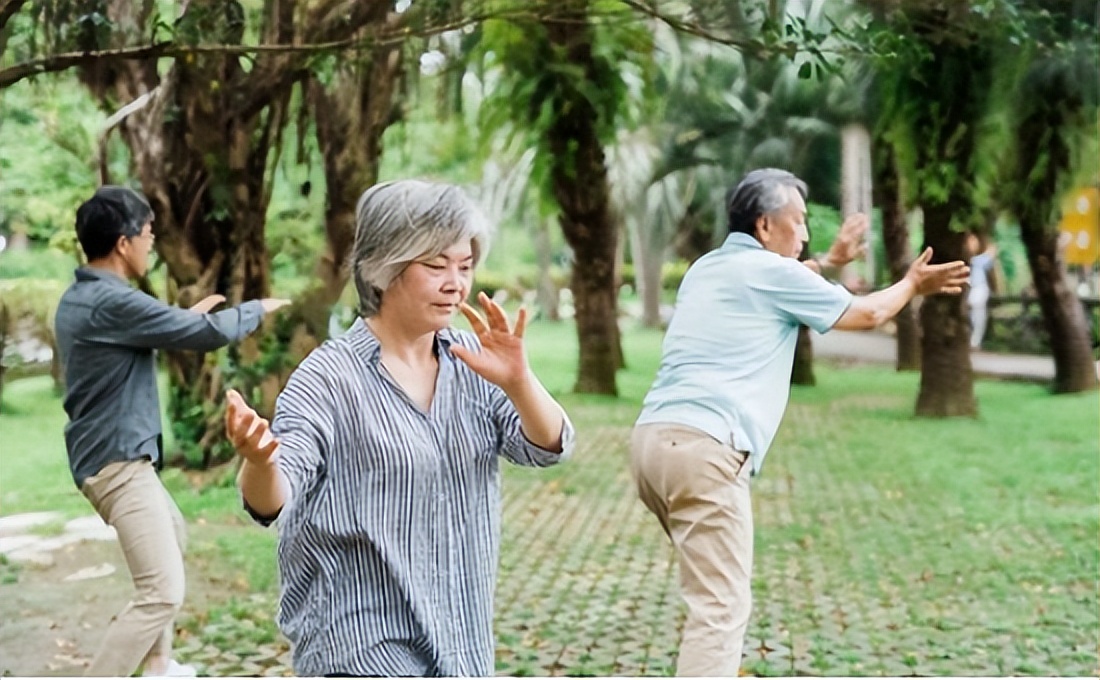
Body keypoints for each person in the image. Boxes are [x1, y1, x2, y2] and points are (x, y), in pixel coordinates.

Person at [225, 179, 575, 677]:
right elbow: (272, 497)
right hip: (360, 647)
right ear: (384, 267)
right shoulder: (329, 377)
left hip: (458, 645)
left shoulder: (471, 363)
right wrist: (260, 460)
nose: (455, 282)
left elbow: (549, 447)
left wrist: (520, 382)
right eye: (435, 266)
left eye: (465, 266)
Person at [630, 168, 969, 677]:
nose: (806, 233)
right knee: (720, 611)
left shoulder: (709, 267)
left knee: (709, 599)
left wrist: (829, 262)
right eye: (799, 221)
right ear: (766, 226)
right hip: (706, 450)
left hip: (652, 444)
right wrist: (912, 284)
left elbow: (789, 277)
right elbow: (868, 315)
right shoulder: (770, 274)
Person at [53, 185, 289, 677]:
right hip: (117, 462)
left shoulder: (91, 297)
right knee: (161, 592)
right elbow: (204, 336)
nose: (152, 245)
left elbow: (163, 329)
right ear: (123, 243)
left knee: (173, 534)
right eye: (148, 234)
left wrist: (183, 320)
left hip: (111, 456)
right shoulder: (108, 302)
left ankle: (160, 666)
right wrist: (258, 309)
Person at [967, 232, 998, 349]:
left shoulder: (978, 261)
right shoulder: (973, 261)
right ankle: (972, 340)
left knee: (978, 315)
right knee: (973, 315)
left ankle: (975, 341)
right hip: (970, 290)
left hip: (978, 289)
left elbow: (989, 256)